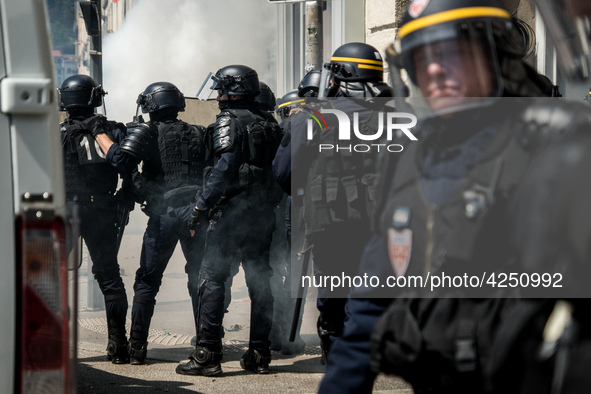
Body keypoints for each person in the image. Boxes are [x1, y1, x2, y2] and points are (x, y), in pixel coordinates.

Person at [319, 0, 565, 392]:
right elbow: (370, 301)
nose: (434, 69)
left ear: (494, 54)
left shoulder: (553, 153)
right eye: (422, 56)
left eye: (452, 52)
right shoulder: (410, 158)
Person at [280, 42, 393, 366]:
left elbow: (284, 171)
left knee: (332, 286)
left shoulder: (314, 117)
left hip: (328, 219)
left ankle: (336, 349)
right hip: (379, 221)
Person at [92, 81, 211, 365]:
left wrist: (137, 187)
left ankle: (137, 347)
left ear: (151, 105)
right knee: (201, 278)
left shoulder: (147, 130)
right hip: (195, 211)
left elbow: (121, 160)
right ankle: (206, 343)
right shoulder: (198, 132)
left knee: (147, 280)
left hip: (165, 213)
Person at [175, 65, 283, 376]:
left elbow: (223, 169)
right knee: (261, 281)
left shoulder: (230, 121)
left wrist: (199, 207)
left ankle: (208, 354)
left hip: (231, 215)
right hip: (263, 214)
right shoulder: (269, 122)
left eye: (222, 88)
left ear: (233, 91)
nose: (218, 95)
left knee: (212, 280)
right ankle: (259, 354)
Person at [59, 74, 131, 364]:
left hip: (65, 211)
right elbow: (129, 166)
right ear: (95, 98)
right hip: (102, 209)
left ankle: (51, 342)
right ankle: (119, 344)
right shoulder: (112, 130)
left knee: (49, 279)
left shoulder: (56, 131)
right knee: (110, 277)